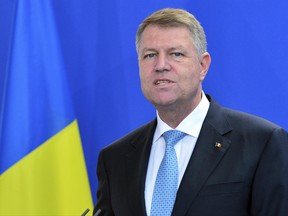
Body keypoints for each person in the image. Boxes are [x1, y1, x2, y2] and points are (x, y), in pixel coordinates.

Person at [94, 8, 288, 216]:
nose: (161, 65)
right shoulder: (115, 159)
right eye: (150, 55)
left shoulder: (262, 143)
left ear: (203, 66)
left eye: (176, 54)